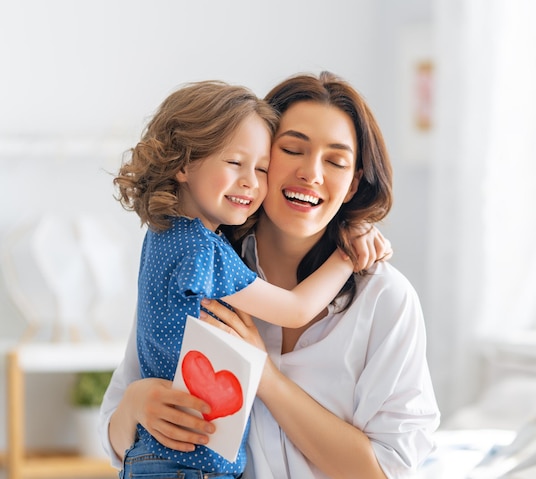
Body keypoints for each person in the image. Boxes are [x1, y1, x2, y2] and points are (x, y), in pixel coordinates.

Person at [100, 71, 440, 478]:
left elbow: (388, 471)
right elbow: (114, 441)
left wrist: (266, 378)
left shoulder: (386, 299)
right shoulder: (201, 274)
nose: (311, 173)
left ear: (352, 185)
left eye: (335, 161)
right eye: (292, 150)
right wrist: (136, 406)